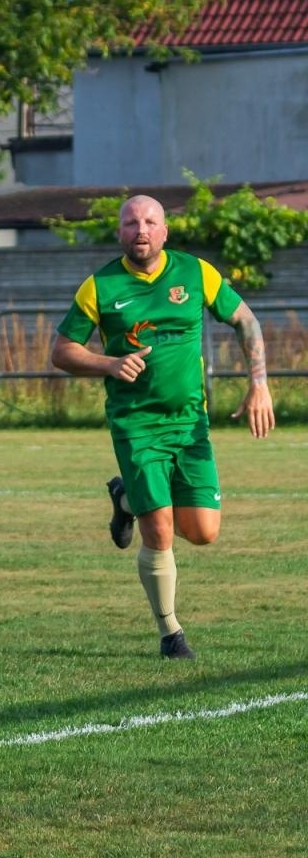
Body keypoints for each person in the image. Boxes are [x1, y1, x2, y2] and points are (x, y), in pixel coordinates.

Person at [50, 194, 273, 659]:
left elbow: (246, 321)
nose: (141, 230)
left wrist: (259, 384)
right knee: (161, 530)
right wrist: (109, 364)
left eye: (150, 222)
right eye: (131, 223)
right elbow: (62, 351)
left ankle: (124, 497)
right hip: (136, 424)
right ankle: (171, 634)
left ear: (165, 231)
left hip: (191, 423)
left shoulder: (196, 273)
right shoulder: (100, 286)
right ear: (120, 233)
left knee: (204, 531)